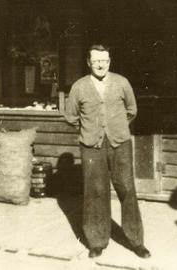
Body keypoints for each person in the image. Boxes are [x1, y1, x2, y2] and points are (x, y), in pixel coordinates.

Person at [64, 44, 151, 259]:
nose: (101, 64)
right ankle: (97, 241)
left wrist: (116, 128)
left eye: (104, 60)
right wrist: (90, 130)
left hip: (120, 144)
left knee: (127, 189)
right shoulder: (79, 87)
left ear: (110, 61)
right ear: (88, 63)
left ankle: (136, 241)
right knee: (95, 192)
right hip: (91, 147)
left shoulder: (122, 83)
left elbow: (132, 111)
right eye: (96, 61)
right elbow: (71, 116)